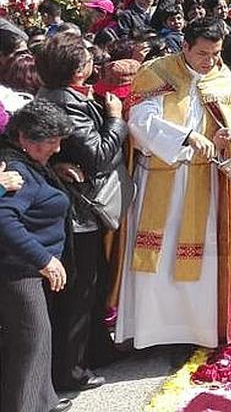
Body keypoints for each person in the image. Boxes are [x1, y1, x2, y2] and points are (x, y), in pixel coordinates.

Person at [116, 17, 231, 349]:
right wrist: (187, 136)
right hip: (160, 180)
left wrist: (223, 140)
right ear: (185, 46)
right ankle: (150, 332)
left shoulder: (222, 78)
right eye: (203, 53)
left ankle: (196, 330)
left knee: (201, 259)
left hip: (204, 181)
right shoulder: (157, 72)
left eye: (216, 53)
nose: (210, 61)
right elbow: (140, 123)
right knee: (157, 257)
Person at [34, 33, 133, 392]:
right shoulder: (65, 104)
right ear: (78, 70)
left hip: (82, 207)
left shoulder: (63, 96)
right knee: (79, 292)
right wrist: (116, 119)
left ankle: (97, 350)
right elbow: (98, 155)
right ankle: (71, 370)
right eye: (88, 60)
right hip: (78, 211)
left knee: (95, 283)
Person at [0, 100, 75, 412]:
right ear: (24, 139)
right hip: (19, 272)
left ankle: (44, 400)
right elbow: (4, 220)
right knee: (31, 341)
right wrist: (43, 259)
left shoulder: (30, 163)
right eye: (51, 142)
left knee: (40, 338)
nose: (57, 149)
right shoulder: (16, 171)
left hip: (28, 268)